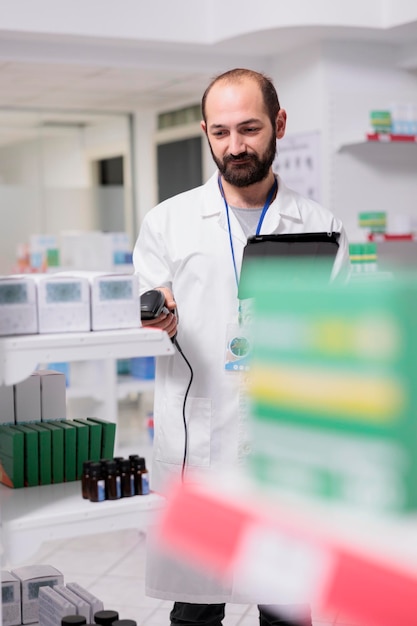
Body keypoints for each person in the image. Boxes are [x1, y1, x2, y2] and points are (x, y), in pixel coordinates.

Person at [133, 68, 350, 626]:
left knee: (286, 606)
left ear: (278, 124)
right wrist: (157, 316)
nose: (235, 146)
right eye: (221, 132)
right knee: (197, 607)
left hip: (284, 443)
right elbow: (142, 313)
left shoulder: (320, 225)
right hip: (203, 442)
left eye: (250, 129)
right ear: (205, 131)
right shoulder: (168, 223)